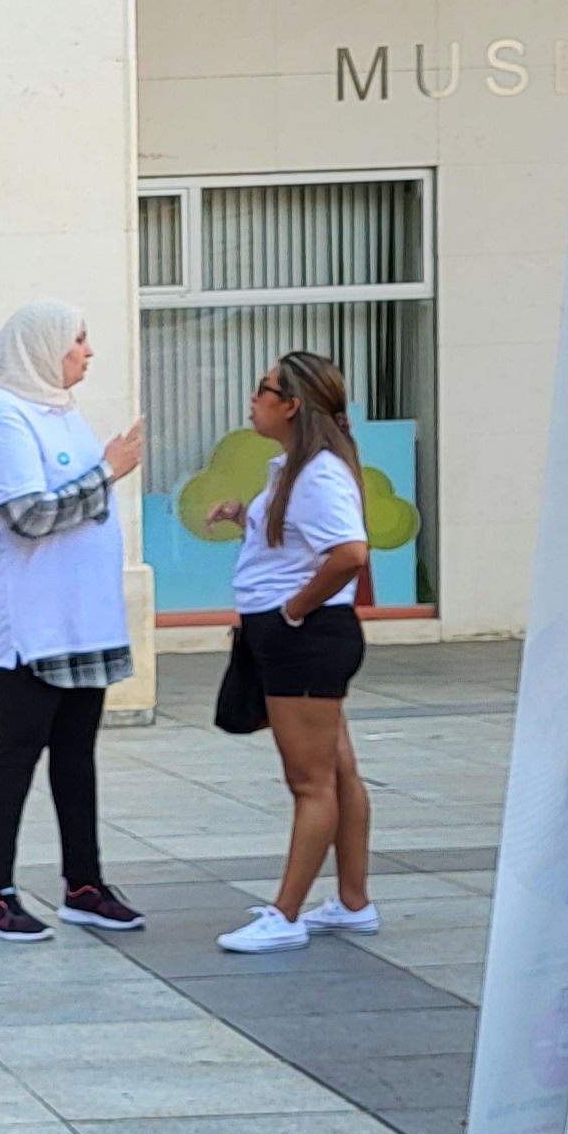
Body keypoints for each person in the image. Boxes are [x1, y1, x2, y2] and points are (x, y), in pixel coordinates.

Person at [0, 300, 148, 940]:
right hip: (30, 625)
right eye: (78, 341)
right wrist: (110, 469)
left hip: (83, 620)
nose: (88, 352)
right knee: (17, 754)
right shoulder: (0, 417)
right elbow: (31, 515)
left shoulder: (63, 413)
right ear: (42, 348)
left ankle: (84, 884)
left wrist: (103, 471)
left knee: (76, 754)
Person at [209, 351, 376, 955]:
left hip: (303, 639)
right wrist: (243, 520)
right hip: (294, 634)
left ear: (292, 405)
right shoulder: (295, 471)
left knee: (311, 784)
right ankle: (353, 903)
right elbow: (299, 546)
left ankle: (285, 915)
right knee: (337, 773)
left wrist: (296, 609)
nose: (254, 398)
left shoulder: (318, 474)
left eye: (264, 389)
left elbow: (350, 554)